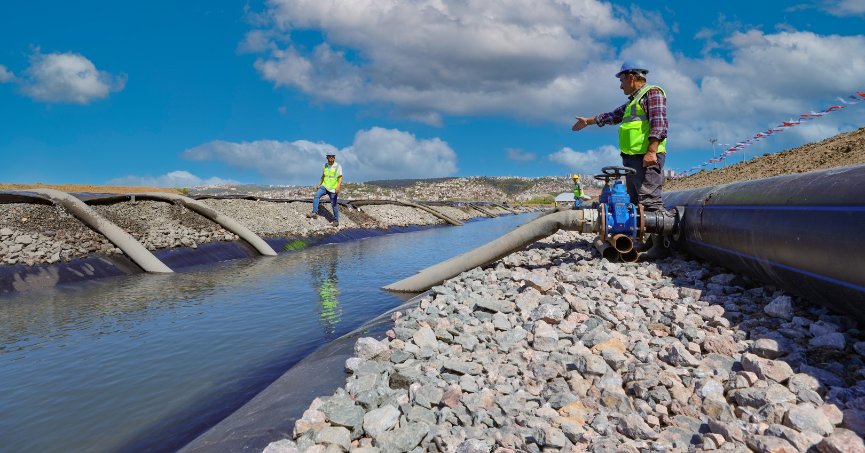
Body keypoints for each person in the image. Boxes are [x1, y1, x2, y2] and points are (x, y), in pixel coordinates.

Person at [570, 60, 668, 212]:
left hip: (646, 158)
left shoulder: (652, 94)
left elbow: (659, 124)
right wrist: (588, 121)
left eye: (622, 80)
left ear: (631, 77)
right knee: (635, 203)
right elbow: (612, 116)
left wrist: (651, 152)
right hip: (632, 160)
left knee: (649, 202)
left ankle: (660, 232)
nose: (620, 86)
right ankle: (637, 234)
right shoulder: (633, 102)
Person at [307, 153, 343, 226]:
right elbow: (323, 176)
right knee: (316, 195)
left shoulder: (338, 166)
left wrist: (338, 186)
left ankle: (336, 221)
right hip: (324, 186)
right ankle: (314, 212)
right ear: (327, 157)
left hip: (333, 188)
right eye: (329, 156)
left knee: (334, 204)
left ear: (334, 157)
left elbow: (340, 177)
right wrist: (319, 184)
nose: (331, 157)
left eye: (332, 156)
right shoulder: (325, 166)